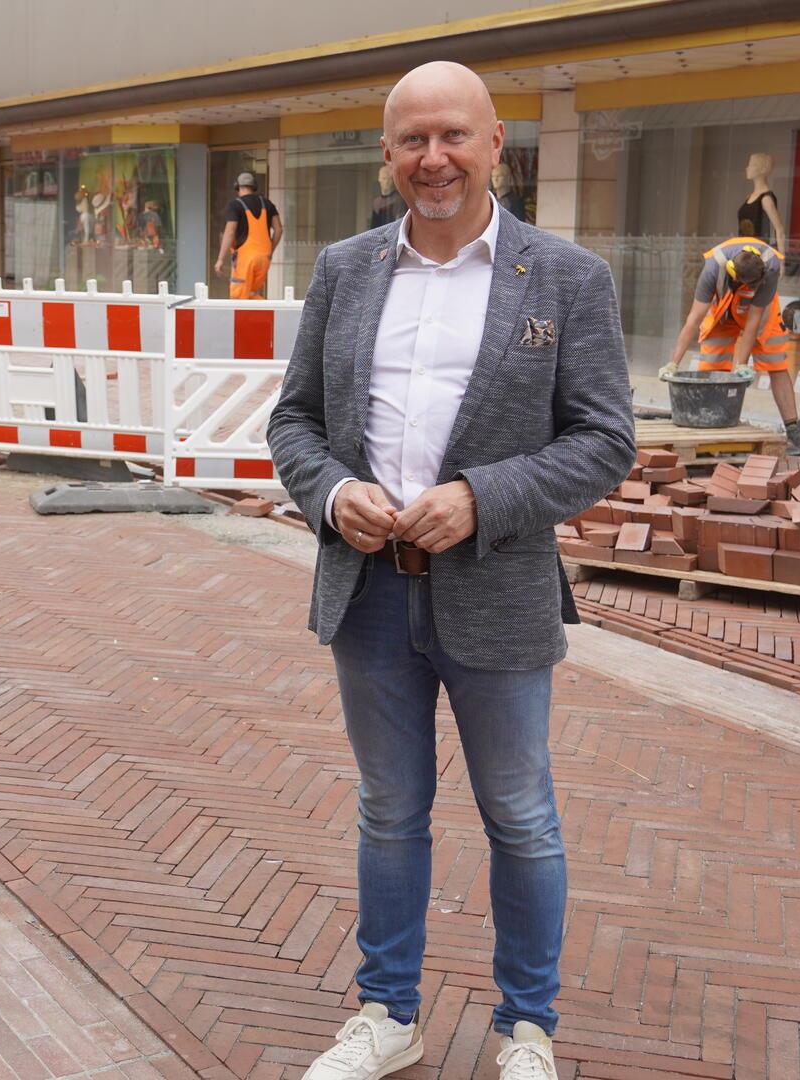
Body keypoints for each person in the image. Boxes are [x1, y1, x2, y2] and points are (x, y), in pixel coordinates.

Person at [267, 61, 635, 1080]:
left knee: (519, 813)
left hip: (500, 593)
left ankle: (528, 1030)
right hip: (368, 592)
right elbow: (293, 421)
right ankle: (389, 1014)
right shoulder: (344, 269)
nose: (435, 158)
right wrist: (335, 496)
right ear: (386, 156)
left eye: (454, 137)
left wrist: (481, 498)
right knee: (390, 809)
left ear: (495, 144)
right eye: (414, 140)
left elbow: (606, 440)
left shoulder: (566, 279)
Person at [664, 238, 800, 456]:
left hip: (760, 312)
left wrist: (741, 366)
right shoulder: (712, 269)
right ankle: (711, 429)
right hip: (722, 309)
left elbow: (754, 322)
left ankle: (795, 431)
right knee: (712, 365)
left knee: (776, 361)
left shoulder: (770, 266)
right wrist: (673, 362)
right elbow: (694, 319)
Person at [214, 171, 281, 299]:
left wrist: (221, 259)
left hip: (246, 259)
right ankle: (262, 319)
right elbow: (278, 229)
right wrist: (270, 251)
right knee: (253, 295)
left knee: (239, 297)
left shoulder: (235, 205)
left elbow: (230, 231)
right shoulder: (267, 203)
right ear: (254, 186)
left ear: (237, 187)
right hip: (264, 259)